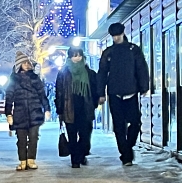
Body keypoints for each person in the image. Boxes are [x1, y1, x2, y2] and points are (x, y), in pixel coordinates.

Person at [97, 22, 150, 166]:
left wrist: (144, 86)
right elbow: (102, 74)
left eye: (118, 35)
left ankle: (127, 147)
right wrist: (101, 93)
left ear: (122, 33)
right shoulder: (108, 52)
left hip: (131, 92)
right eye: (113, 36)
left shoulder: (133, 50)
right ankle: (126, 155)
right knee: (119, 126)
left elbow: (141, 69)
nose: (116, 38)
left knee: (136, 122)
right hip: (114, 93)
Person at [4, 51, 50, 171]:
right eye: (24, 63)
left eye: (27, 62)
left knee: (34, 137)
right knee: (21, 139)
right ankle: (22, 161)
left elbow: (42, 95)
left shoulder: (35, 78)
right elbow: (9, 97)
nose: (27, 64)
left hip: (35, 111)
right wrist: (8, 113)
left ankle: (31, 159)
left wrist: (47, 109)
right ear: (19, 65)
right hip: (20, 113)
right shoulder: (13, 80)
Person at [55, 47, 98, 168]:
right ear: (69, 57)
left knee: (85, 136)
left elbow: (94, 90)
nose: (77, 58)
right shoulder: (63, 73)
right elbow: (59, 91)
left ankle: (81, 154)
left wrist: (94, 104)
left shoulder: (89, 73)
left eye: (79, 55)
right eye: (74, 55)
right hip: (69, 109)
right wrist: (59, 108)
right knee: (72, 136)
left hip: (85, 109)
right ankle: (75, 160)